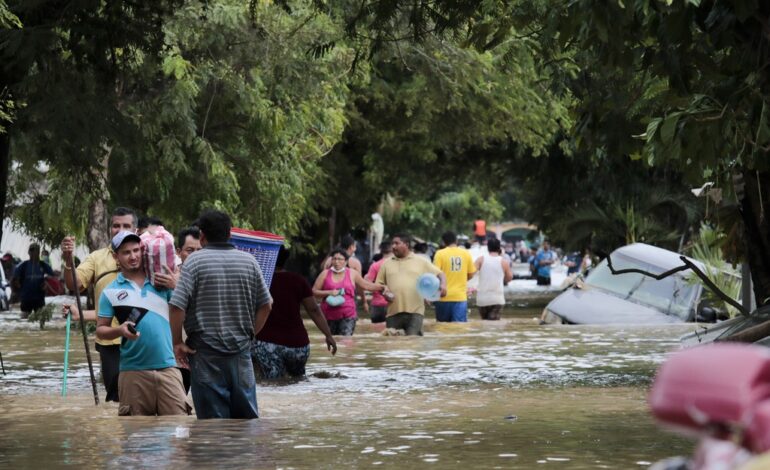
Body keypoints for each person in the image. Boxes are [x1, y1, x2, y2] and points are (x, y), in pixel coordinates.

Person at [169, 210, 272, 419]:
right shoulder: (249, 261)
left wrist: (178, 342)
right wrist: (251, 334)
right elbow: (267, 305)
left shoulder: (194, 263)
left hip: (205, 355)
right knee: (246, 421)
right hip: (241, 353)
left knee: (212, 425)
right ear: (230, 235)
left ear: (202, 235)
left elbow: (176, 306)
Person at [93, 231, 187, 416]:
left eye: (136, 250)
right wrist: (119, 330)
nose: (133, 256)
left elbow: (187, 308)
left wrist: (177, 285)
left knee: (178, 431)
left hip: (168, 367)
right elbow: (100, 330)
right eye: (126, 252)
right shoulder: (111, 291)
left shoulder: (161, 281)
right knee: (135, 436)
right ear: (116, 257)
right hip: (132, 372)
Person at [60, 206, 137, 403]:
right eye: (116, 226)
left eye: (126, 226)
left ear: (135, 229)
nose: (120, 230)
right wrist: (68, 261)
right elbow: (74, 284)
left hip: (141, 338)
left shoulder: (143, 256)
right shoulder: (97, 257)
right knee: (116, 397)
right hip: (110, 340)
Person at [253, 246, 337, 379]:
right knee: (298, 380)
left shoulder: (260, 282)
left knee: (273, 384)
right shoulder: (298, 280)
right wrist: (328, 335)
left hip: (267, 344)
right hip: (298, 346)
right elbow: (314, 310)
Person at [375, 233, 447, 336]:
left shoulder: (421, 261)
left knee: (413, 341)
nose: (393, 246)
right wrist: (384, 291)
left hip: (415, 312)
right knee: (393, 345)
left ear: (406, 244)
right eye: (392, 244)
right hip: (393, 312)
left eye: (396, 243)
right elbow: (379, 284)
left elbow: (440, 274)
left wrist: (443, 285)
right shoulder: (386, 264)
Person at [313, 248, 388, 336]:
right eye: (334, 259)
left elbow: (366, 285)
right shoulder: (325, 274)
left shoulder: (352, 273)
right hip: (328, 315)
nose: (337, 262)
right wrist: (329, 292)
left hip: (348, 315)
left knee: (345, 341)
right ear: (331, 260)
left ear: (345, 261)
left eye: (340, 259)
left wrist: (381, 287)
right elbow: (314, 291)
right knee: (331, 341)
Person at [432, 231, 476, 322]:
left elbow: (435, 274)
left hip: (442, 297)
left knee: (442, 328)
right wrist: (462, 279)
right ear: (456, 241)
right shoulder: (465, 253)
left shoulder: (439, 254)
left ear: (443, 242)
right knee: (459, 329)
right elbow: (471, 274)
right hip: (460, 298)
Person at [474, 238, 513, 320]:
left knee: (484, 325)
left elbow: (470, 273)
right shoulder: (503, 262)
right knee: (494, 326)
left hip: (482, 299)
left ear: (487, 248)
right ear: (499, 248)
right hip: (497, 299)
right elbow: (509, 278)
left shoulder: (480, 260)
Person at [12, 243, 53, 319]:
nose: (34, 253)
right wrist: (16, 291)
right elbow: (14, 280)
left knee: (40, 319)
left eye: (36, 251)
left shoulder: (43, 265)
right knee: (24, 320)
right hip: (26, 299)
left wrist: (46, 284)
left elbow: (53, 277)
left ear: (38, 252)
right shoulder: (22, 266)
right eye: (32, 250)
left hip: (39, 299)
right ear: (28, 252)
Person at [364, 241, 393, 323]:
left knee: (376, 332)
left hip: (377, 304)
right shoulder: (398, 264)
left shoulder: (375, 265)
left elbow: (367, 285)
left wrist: (379, 289)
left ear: (380, 250)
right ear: (392, 249)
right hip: (394, 303)